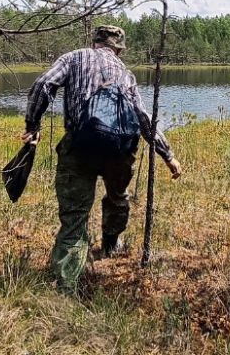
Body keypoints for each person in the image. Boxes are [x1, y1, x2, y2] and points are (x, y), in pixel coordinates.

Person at [22, 25, 182, 291]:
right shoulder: (125, 73)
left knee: (75, 216)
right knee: (118, 198)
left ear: (94, 41)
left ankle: (66, 285)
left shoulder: (73, 58)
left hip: (79, 149)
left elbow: (42, 85)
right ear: (118, 49)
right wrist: (168, 155)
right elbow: (143, 118)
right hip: (119, 152)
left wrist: (32, 126)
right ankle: (110, 244)